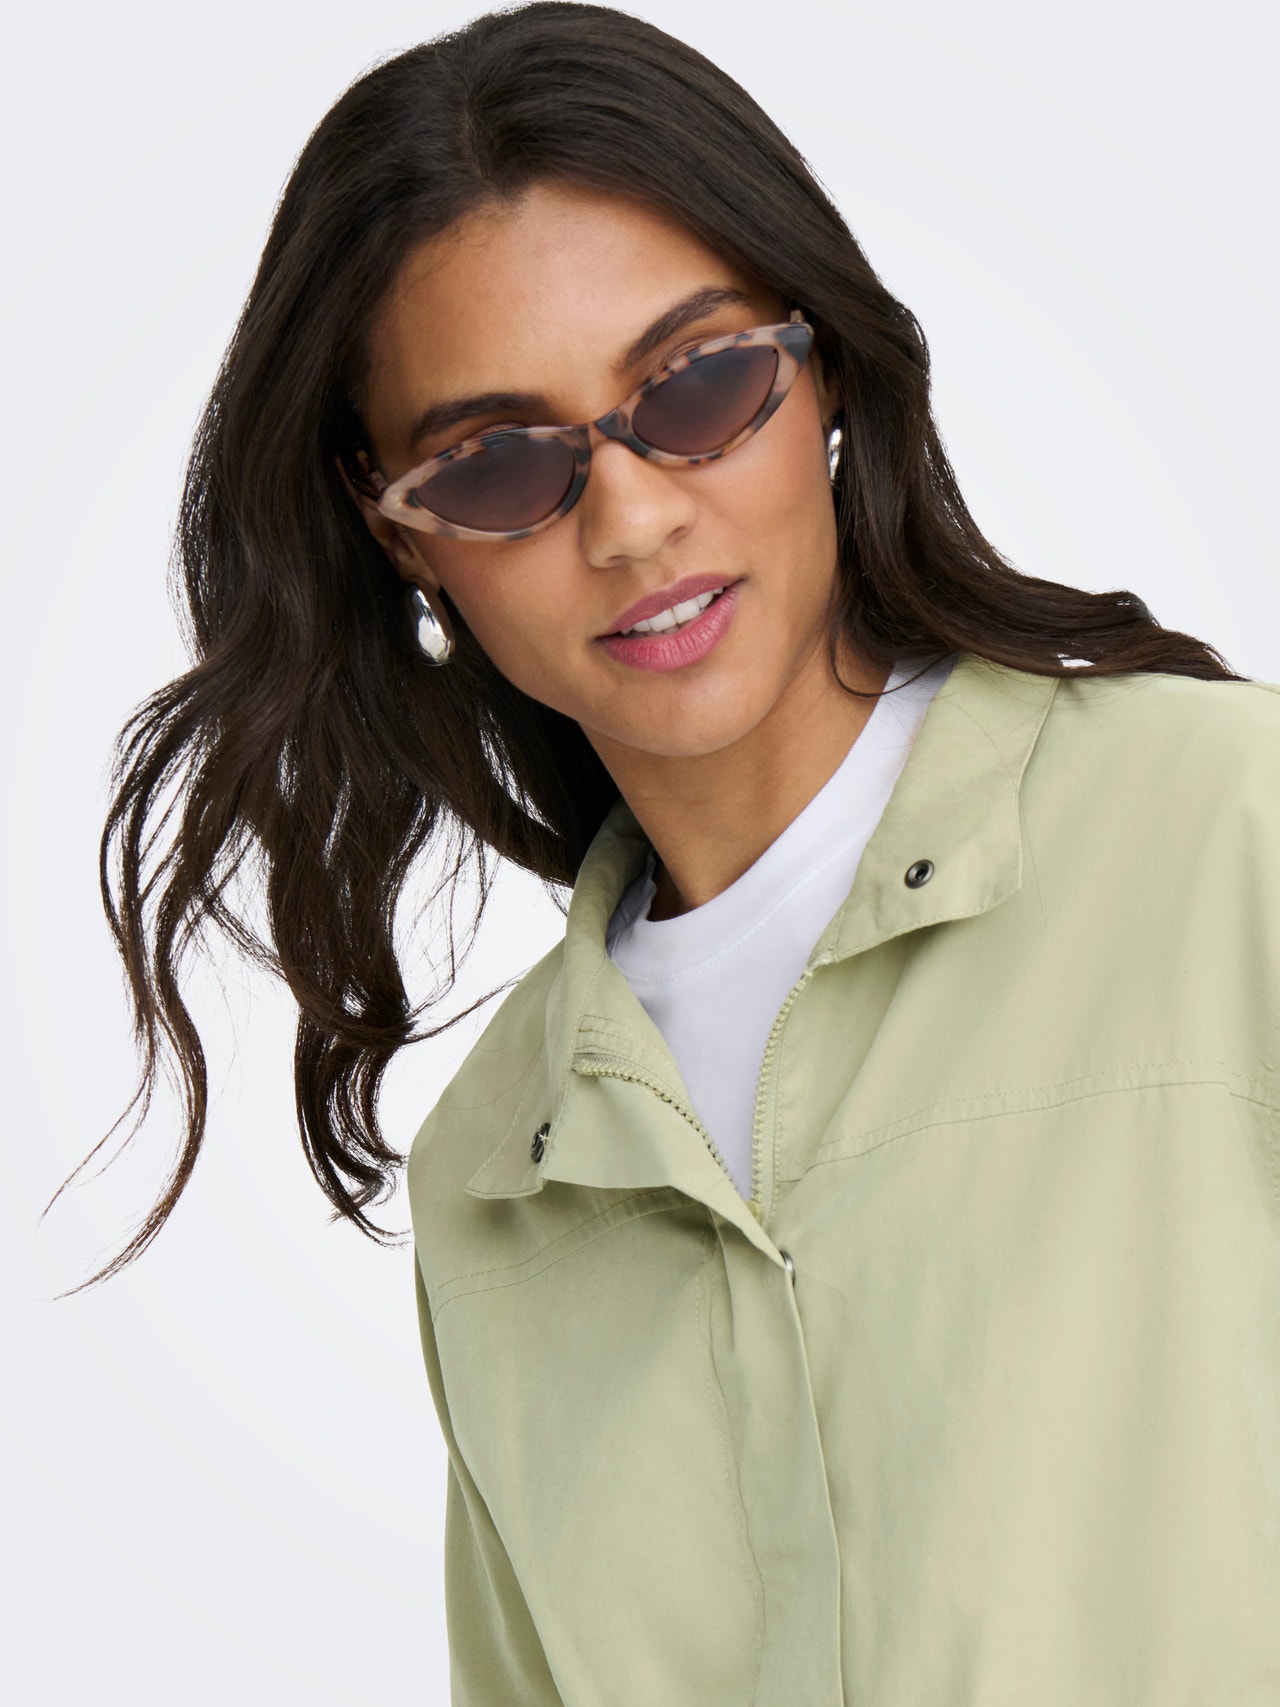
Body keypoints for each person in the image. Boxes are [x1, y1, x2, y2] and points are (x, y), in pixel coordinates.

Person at [72, 3, 1279, 1701]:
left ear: (822, 366)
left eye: (699, 385)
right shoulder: (498, 1170)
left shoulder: (1234, 837)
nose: (633, 522)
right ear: (398, 533)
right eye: (499, 466)